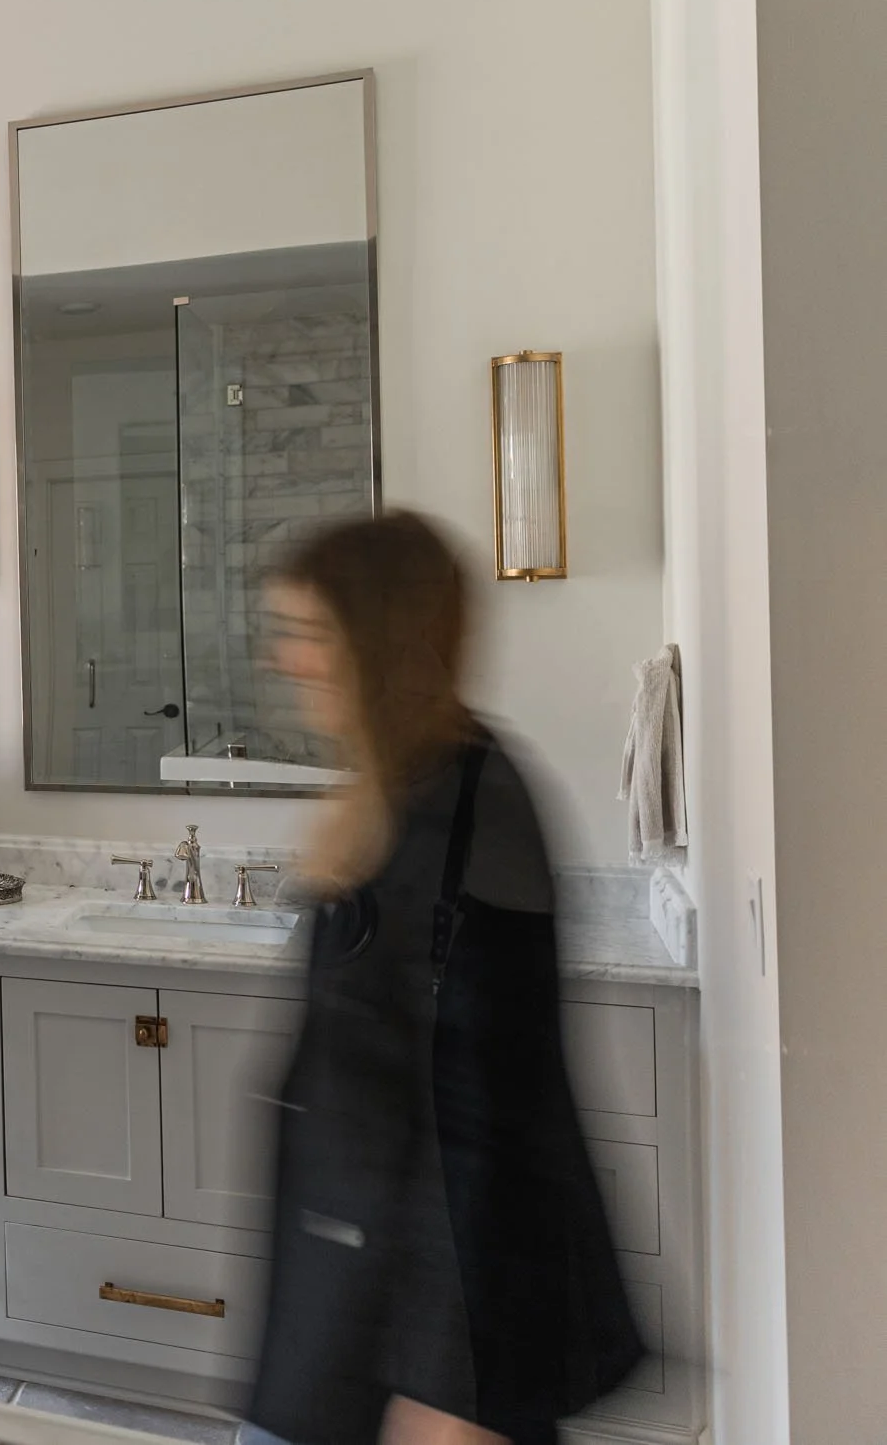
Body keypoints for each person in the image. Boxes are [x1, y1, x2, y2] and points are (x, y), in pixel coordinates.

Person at [246, 513, 639, 1445]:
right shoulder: (395, 793)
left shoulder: (476, 813)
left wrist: (451, 1386)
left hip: (424, 1349)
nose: (285, 659)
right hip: (347, 1302)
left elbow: (494, 1114)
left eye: (313, 632)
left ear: (380, 642)